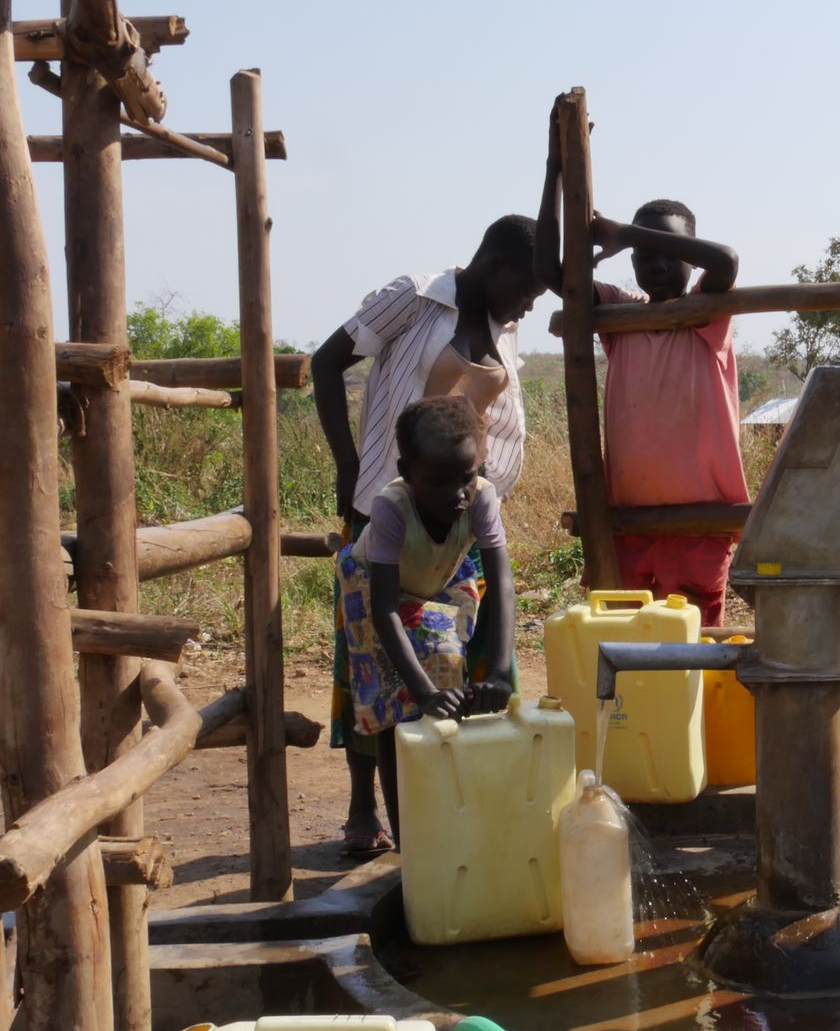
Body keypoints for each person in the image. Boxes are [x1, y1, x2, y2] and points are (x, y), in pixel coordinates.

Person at [310, 216, 543, 856]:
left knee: (470, 656)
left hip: (462, 514)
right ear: (495, 265)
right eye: (527, 289)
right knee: (370, 660)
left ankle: (461, 798)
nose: (529, 305)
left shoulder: (504, 325)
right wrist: (348, 464)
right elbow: (326, 364)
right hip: (390, 503)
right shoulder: (415, 298)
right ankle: (367, 808)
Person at [535, 104, 744, 625]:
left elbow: (726, 260)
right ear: (630, 264)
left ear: (689, 257)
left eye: (668, 251)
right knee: (626, 642)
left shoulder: (707, 314)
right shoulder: (620, 315)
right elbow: (552, 273)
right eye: (644, 255)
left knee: (692, 645)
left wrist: (630, 232)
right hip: (626, 521)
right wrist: (555, 170)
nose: (656, 263)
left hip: (702, 522)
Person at [337, 396, 517, 847]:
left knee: (448, 675)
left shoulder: (481, 498)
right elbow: (384, 608)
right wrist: (420, 692)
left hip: (439, 579)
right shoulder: (391, 508)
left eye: (466, 477)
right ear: (407, 471)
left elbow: (502, 583)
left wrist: (498, 671)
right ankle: (408, 844)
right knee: (390, 702)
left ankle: (444, 824)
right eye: (438, 482)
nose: (457, 494)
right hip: (371, 586)